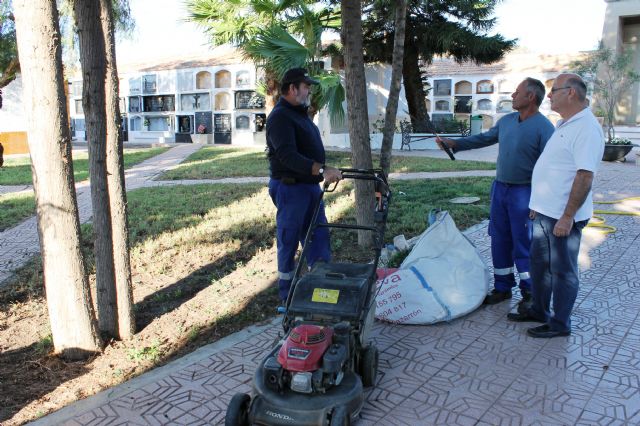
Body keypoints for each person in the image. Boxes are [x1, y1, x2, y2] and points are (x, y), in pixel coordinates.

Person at [437, 78, 554, 313]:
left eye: (517, 92)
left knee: (523, 242)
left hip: (525, 191)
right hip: (500, 189)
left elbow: (550, 168)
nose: (512, 95)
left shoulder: (544, 128)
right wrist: (455, 144)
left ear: (531, 97)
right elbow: (484, 139)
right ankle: (502, 287)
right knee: (499, 238)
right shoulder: (507, 121)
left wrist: (541, 201)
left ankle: (530, 291)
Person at [507, 73, 604, 338]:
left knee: (562, 271)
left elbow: (584, 175)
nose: (548, 96)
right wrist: (538, 204)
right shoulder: (566, 124)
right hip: (544, 213)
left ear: (571, 92)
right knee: (540, 266)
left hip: (563, 218)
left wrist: (567, 217)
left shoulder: (586, 128)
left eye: (554, 90)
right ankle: (539, 309)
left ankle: (560, 324)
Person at [266, 68, 342, 303]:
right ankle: (287, 298)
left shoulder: (300, 114)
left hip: (309, 188)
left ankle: (320, 292)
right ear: (292, 88)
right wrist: (321, 169)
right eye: (306, 86)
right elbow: (288, 156)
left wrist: (322, 171)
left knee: (318, 238)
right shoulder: (280, 117)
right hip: (290, 188)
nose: (309, 90)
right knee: (288, 241)